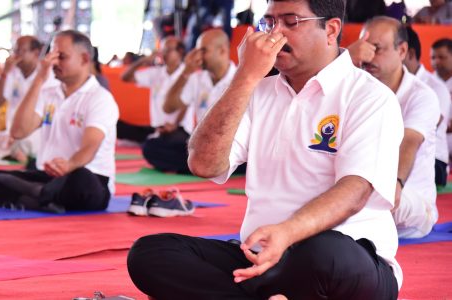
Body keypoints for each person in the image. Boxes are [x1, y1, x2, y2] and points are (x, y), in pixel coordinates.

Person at [127, 0, 402, 299]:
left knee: (324, 252)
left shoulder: (369, 97)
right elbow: (203, 164)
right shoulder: (258, 91)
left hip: (344, 260)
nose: (275, 34)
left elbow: (354, 192)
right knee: (150, 253)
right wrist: (245, 77)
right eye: (269, 22)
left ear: (331, 29)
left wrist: (287, 232)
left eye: (290, 22)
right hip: (259, 258)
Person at [0, 30, 118, 213]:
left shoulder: (100, 98)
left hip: (86, 177)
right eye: (52, 56)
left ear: (84, 59)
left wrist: (69, 165)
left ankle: (33, 195)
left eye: (61, 57)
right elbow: (18, 132)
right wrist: (39, 80)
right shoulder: (49, 92)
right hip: (47, 175)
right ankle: (36, 197)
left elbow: (90, 147)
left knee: (82, 181)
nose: (54, 62)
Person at [350, 17, 440, 239]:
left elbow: (409, 141)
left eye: (377, 48)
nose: (368, 56)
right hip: (366, 191)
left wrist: (395, 184)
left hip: (411, 204)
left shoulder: (422, 95)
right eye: (364, 48)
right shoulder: (356, 89)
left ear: (401, 51)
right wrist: (347, 61)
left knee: (368, 195)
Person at [143, 28, 236, 174]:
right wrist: (186, 71)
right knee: (151, 146)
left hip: (232, 147)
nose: (197, 56)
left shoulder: (239, 79)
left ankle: (204, 167)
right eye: (197, 50)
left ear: (222, 51)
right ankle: (206, 167)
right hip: (201, 145)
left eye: (203, 50)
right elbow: (168, 107)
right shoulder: (197, 78)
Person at [0, 35, 58, 164]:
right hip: (14, 134)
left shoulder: (47, 75)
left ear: (36, 53)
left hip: (35, 135)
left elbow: (44, 117)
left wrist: (20, 135)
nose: (15, 56)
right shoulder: (13, 72)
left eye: (20, 51)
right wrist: (4, 73)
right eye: (14, 51)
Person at [119, 36, 193, 144]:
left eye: (168, 50)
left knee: (152, 147)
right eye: (163, 50)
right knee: (120, 127)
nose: (164, 54)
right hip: (157, 127)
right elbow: (125, 77)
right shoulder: (156, 73)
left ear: (180, 52)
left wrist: (175, 125)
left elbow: (186, 104)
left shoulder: (187, 74)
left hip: (180, 129)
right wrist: (142, 61)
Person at [403, 26, 451, 187]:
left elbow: (428, 126)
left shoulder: (435, 87)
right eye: (433, 57)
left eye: (381, 50)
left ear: (406, 52)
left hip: (434, 160)